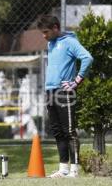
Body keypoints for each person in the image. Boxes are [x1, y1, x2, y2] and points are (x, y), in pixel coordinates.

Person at [37, 15, 93, 178]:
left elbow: (87, 58)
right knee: (57, 131)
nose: (44, 35)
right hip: (50, 92)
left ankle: (74, 170)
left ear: (56, 28)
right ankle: (63, 169)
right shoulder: (50, 43)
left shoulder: (70, 42)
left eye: (46, 32)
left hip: (64, 93)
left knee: (69, 131)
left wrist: (76, 81)